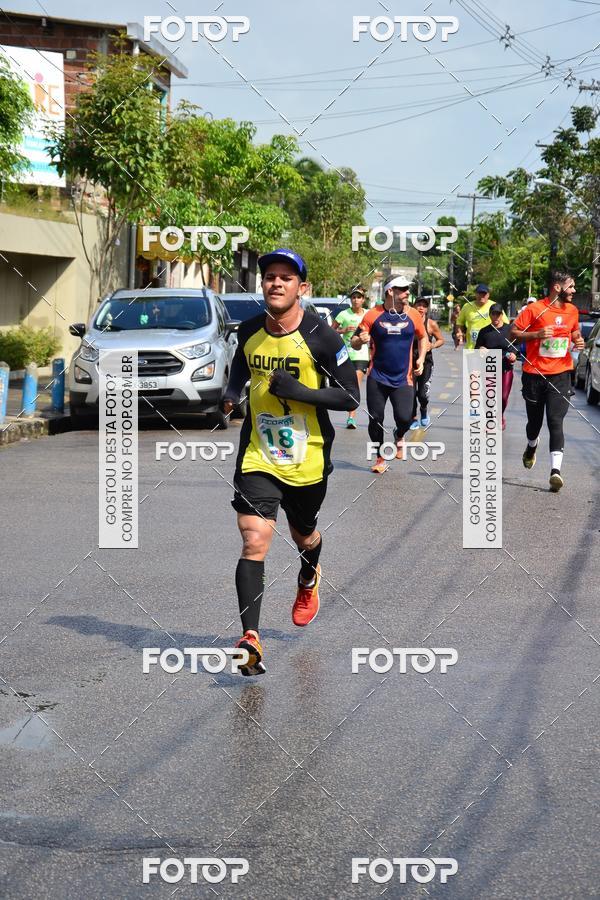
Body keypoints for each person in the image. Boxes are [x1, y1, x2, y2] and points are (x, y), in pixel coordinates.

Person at [223, 249, 360, 675]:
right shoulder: (248, 330)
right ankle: (250, 639)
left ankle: (309, 575)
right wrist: (230, 397)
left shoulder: (323, 337)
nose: (276, 283)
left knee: (305, 536)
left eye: (286, 277)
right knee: (254, 538)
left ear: (302, 287)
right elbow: (237, 372)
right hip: (258, 454)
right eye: (269, 277)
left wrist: (300, 391)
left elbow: (349, 396)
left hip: (308, 458)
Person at [509, 272, 584, 492]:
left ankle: (555, 472)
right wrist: (537, 334)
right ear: (558, 288)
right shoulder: (534, 310)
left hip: (561, 374)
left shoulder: (572, 311)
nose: (574, 291)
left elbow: (575, 330)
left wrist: (578, 339)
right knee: (534, 424)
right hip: (534, 374)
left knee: (555, 420)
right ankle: (532, 446)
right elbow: (513, 333)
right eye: (571, 287)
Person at [351, 275, 428, 474]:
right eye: (402, 289)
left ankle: (399, 434)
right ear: (390, 292)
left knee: (405, 418)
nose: (407, 293)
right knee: (375, 418)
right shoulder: (372, 315)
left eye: (407, 289)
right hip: (377, 376)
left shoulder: (413, 315)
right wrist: (361, 339)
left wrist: (420, 358)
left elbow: (423, 337)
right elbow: (354, 341)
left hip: (404, 377)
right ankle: (379, 458)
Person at [475, 303, 517, 430]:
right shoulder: (484, 331)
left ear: (502, 314)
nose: (496, 316)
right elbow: (477, 348)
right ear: (490, 315)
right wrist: (480, 349)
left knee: (503, 397)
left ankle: (500, 415)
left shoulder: (509, 329)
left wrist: (514, 355)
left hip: (505, 368)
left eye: (498, 314)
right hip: (489, 368)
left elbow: (516, 347)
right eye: (493, 314)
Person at [332, 287, 370, 428]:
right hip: (345, 354)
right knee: (346, 386)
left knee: (355, 384)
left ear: (363, 300)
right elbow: (331, 331)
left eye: (359, 297)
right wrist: (342, 330)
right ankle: (348, 408)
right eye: (353, 297)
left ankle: (351, 418)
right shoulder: (343, 314)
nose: (356, 300)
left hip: (361, 355)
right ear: (351, 300)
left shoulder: (368, 314)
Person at [409, 297, 445, 429]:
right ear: (414, 306)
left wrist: (433, 345)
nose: (421, 308)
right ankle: (413, 418)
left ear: (427, 309)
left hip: (427, 363)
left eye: (424, 306)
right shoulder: (407, 322)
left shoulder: (431, 324)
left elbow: (441, 340)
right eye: (418, 305)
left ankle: (423, 409)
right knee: (410, 393)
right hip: (410, 362)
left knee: (423, 394)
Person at [455, 284, 508, 349]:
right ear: (475, 294)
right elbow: (460, 322)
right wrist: (459, 333)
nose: (481, 296)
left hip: (490, 349)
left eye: (484, 294)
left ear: (488, 295)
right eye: (479, 293)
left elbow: (505, 325)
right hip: (471, 347)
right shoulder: (467, 306)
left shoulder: (494, 306)